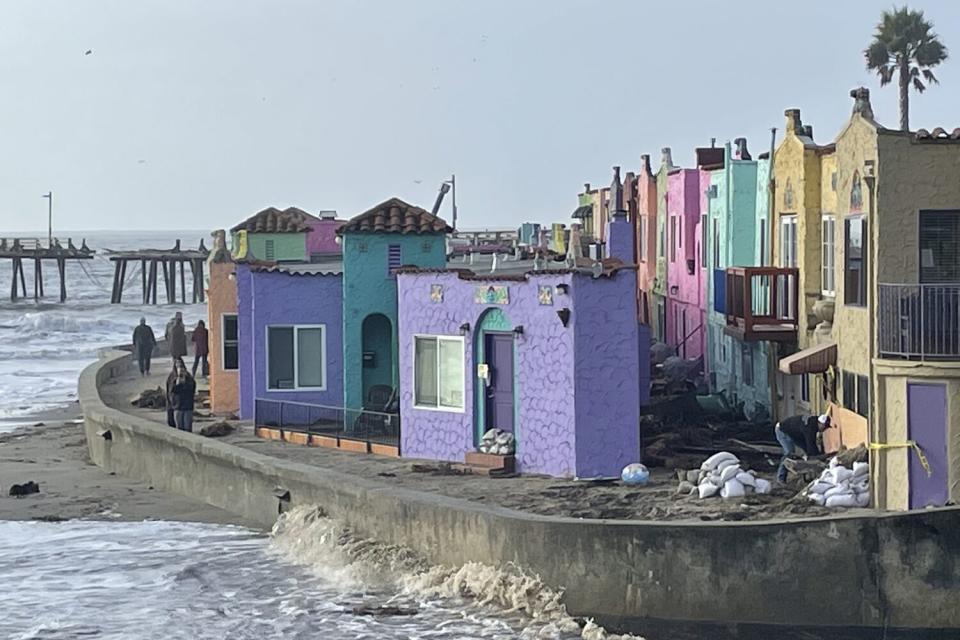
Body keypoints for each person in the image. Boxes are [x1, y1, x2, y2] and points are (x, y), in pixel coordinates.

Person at [775, 413, 831, 483]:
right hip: (782, 430)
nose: (825, 429)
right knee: (789, 452)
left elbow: (810, 444)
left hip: (795, 434)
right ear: (820, 423)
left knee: (808, 450)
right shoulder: (810, 428)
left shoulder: (813, 422)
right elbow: (811, 444)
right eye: (825, 427)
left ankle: (809, 475)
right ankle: (781, 478)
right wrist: (818, 457)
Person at [169, 358, 196, 432]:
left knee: (188, 428)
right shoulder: (172, 377)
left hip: (187, 407)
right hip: (177, 406)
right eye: (177, 366)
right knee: (179, 429)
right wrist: (177, 383)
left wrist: (185, 382)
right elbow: (171, 392)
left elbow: (192, 389)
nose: (179, 368)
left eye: (181, 366)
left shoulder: (189, 377)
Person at [165, 359, 181, 427]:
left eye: (180, 364)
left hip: (182, 404)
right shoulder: (171, 376)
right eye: (177, 364)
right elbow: (169, 389)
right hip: (172, 401)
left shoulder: (186, 376)